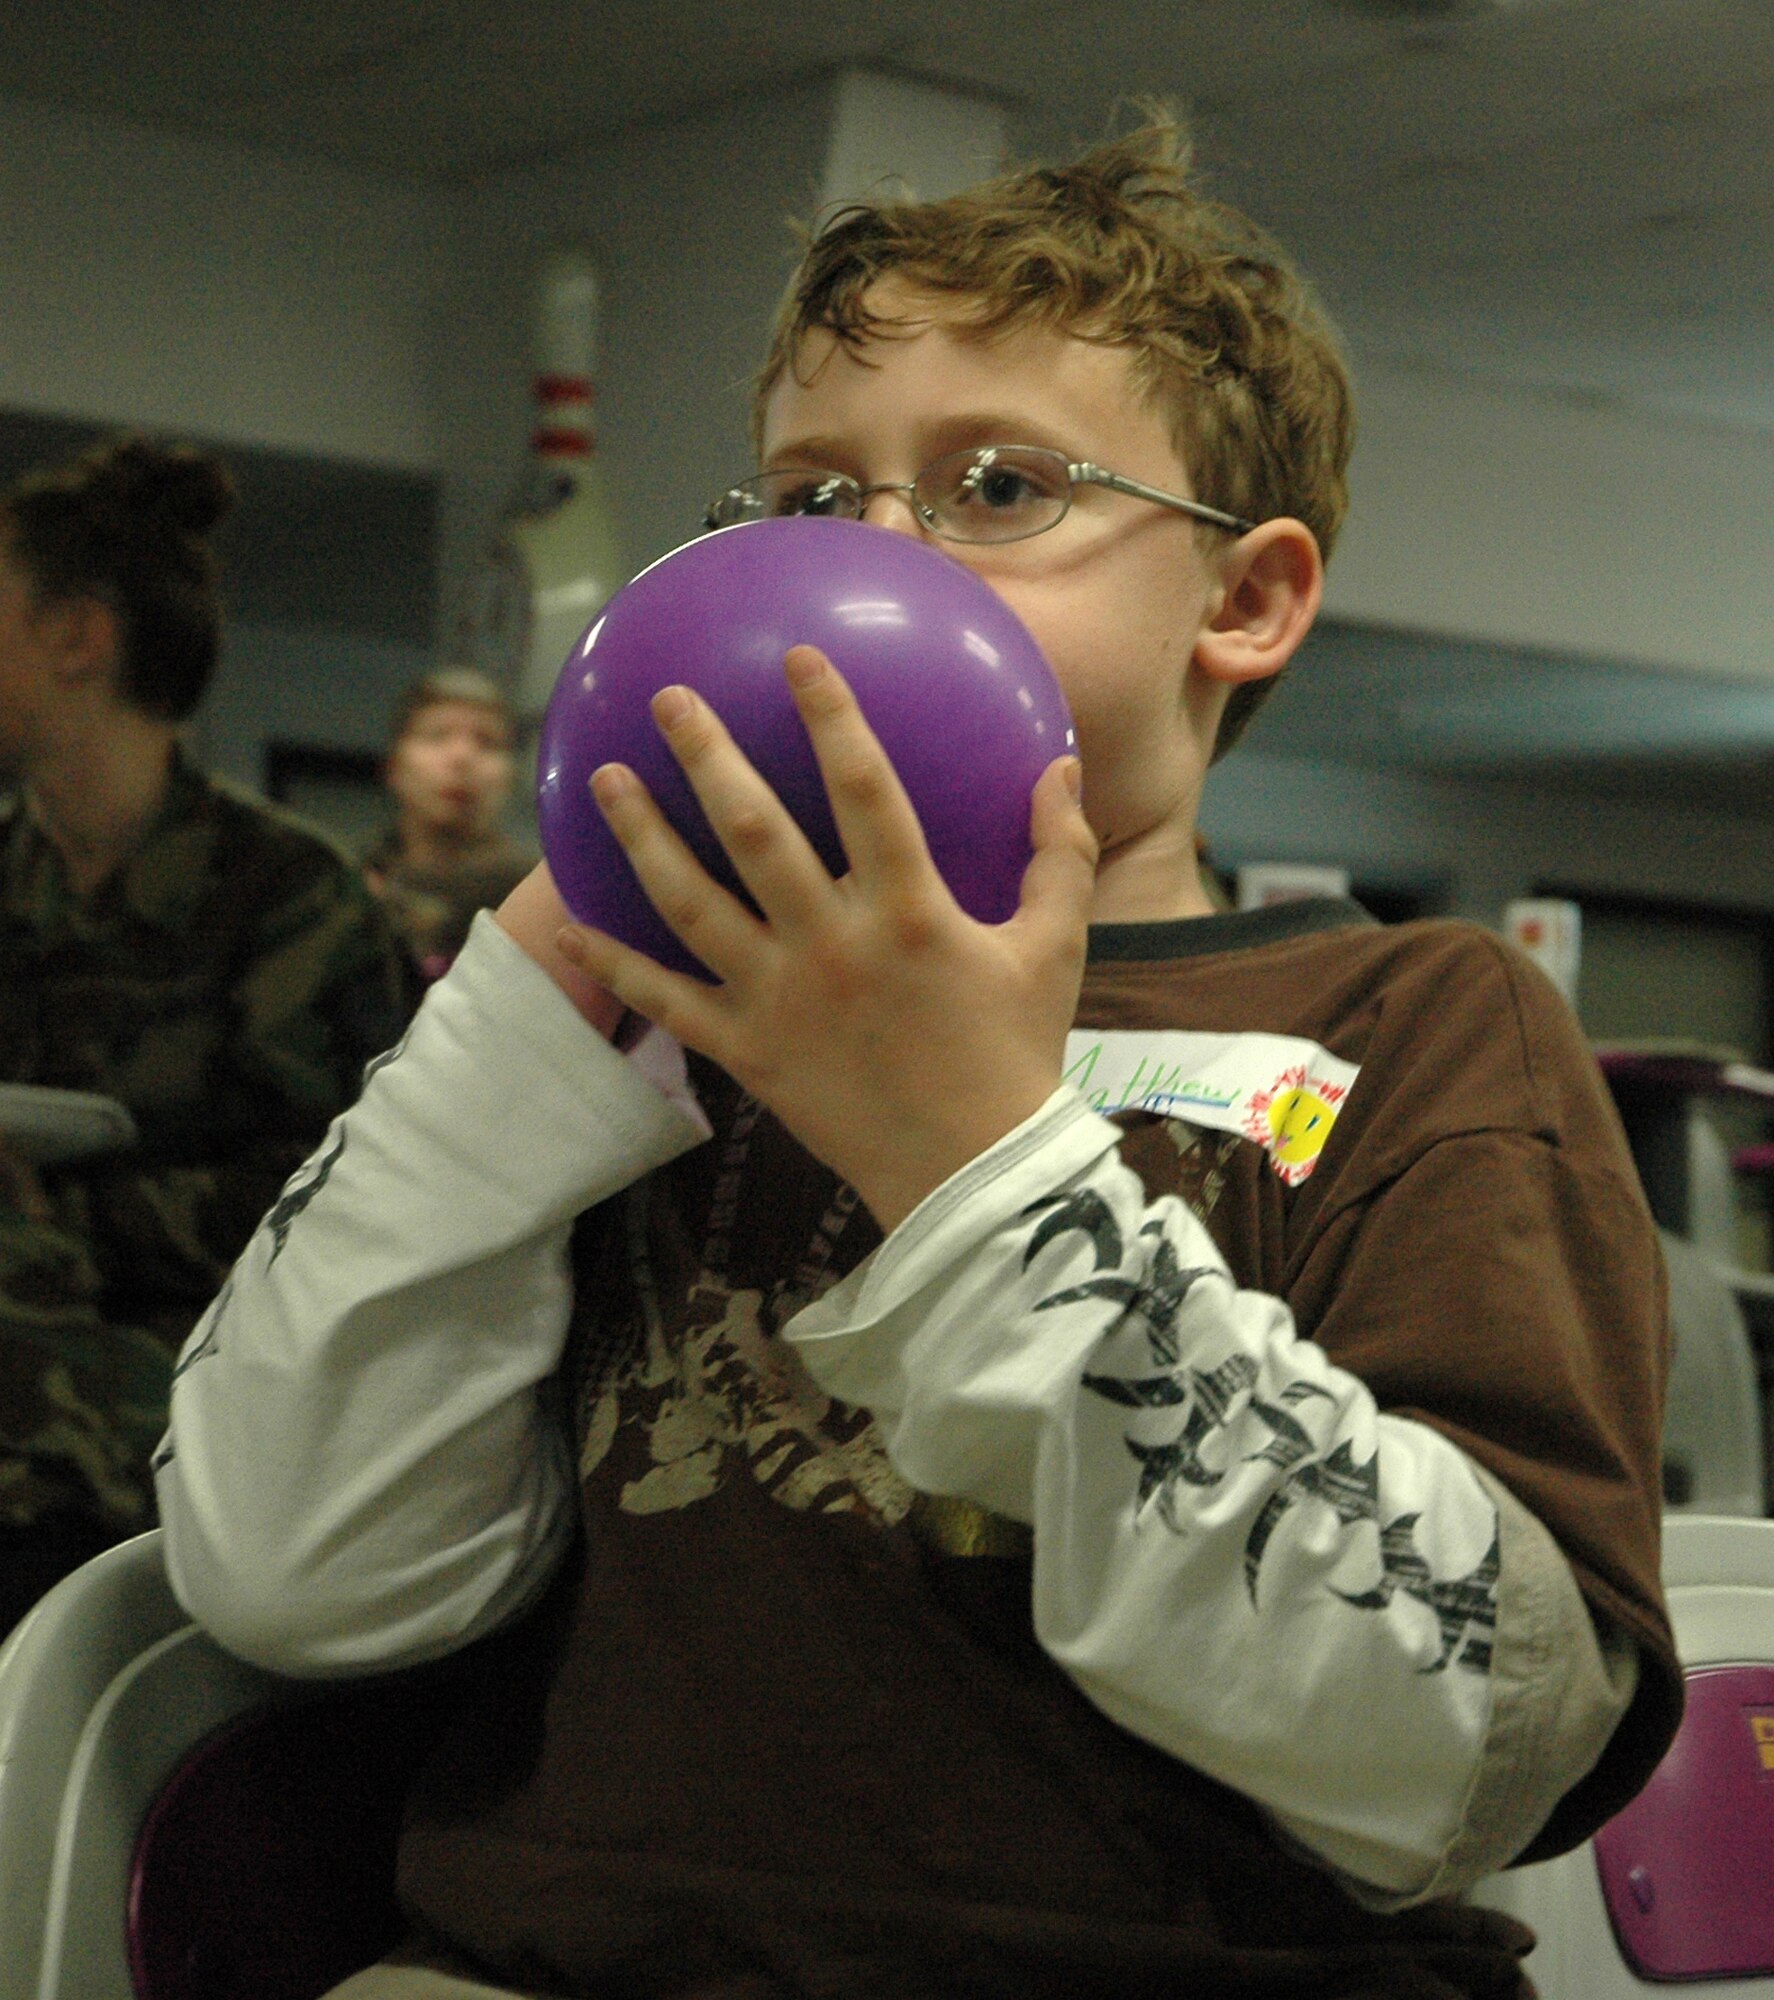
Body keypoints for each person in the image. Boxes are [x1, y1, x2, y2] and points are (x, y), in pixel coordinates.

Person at [158, 117, 1678, 2000]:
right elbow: (294, 1575)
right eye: (808, 499)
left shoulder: (1410, 1028)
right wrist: (512, 1025)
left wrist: (970, 1151)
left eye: (992, 488)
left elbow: (1477, 1739)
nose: (877, 558)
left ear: (1240, 598)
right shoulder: (658, 1025)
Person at [0, 434, 407, 1634]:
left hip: (172, 1439)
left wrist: (50, 1211)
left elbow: (343, 1204)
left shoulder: (285, 894)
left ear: (79, 638)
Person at [364, 667, 533, 1001]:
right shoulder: (354, 883)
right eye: (437, 735)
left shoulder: (538, 894)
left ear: (511, 776)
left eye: (487, 742)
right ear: (394, 767)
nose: (462, 757)